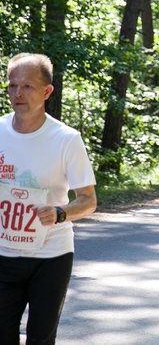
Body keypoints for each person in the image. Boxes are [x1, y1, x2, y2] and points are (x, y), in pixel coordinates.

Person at [0, 53, 97, 345]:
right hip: (4, 254)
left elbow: (88, 200)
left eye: (28, 86)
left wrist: (60, 212)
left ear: (47, 91)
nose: (18, 93)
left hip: (51, 256)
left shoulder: (66, 139)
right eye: (12, 85)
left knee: (40, 339)